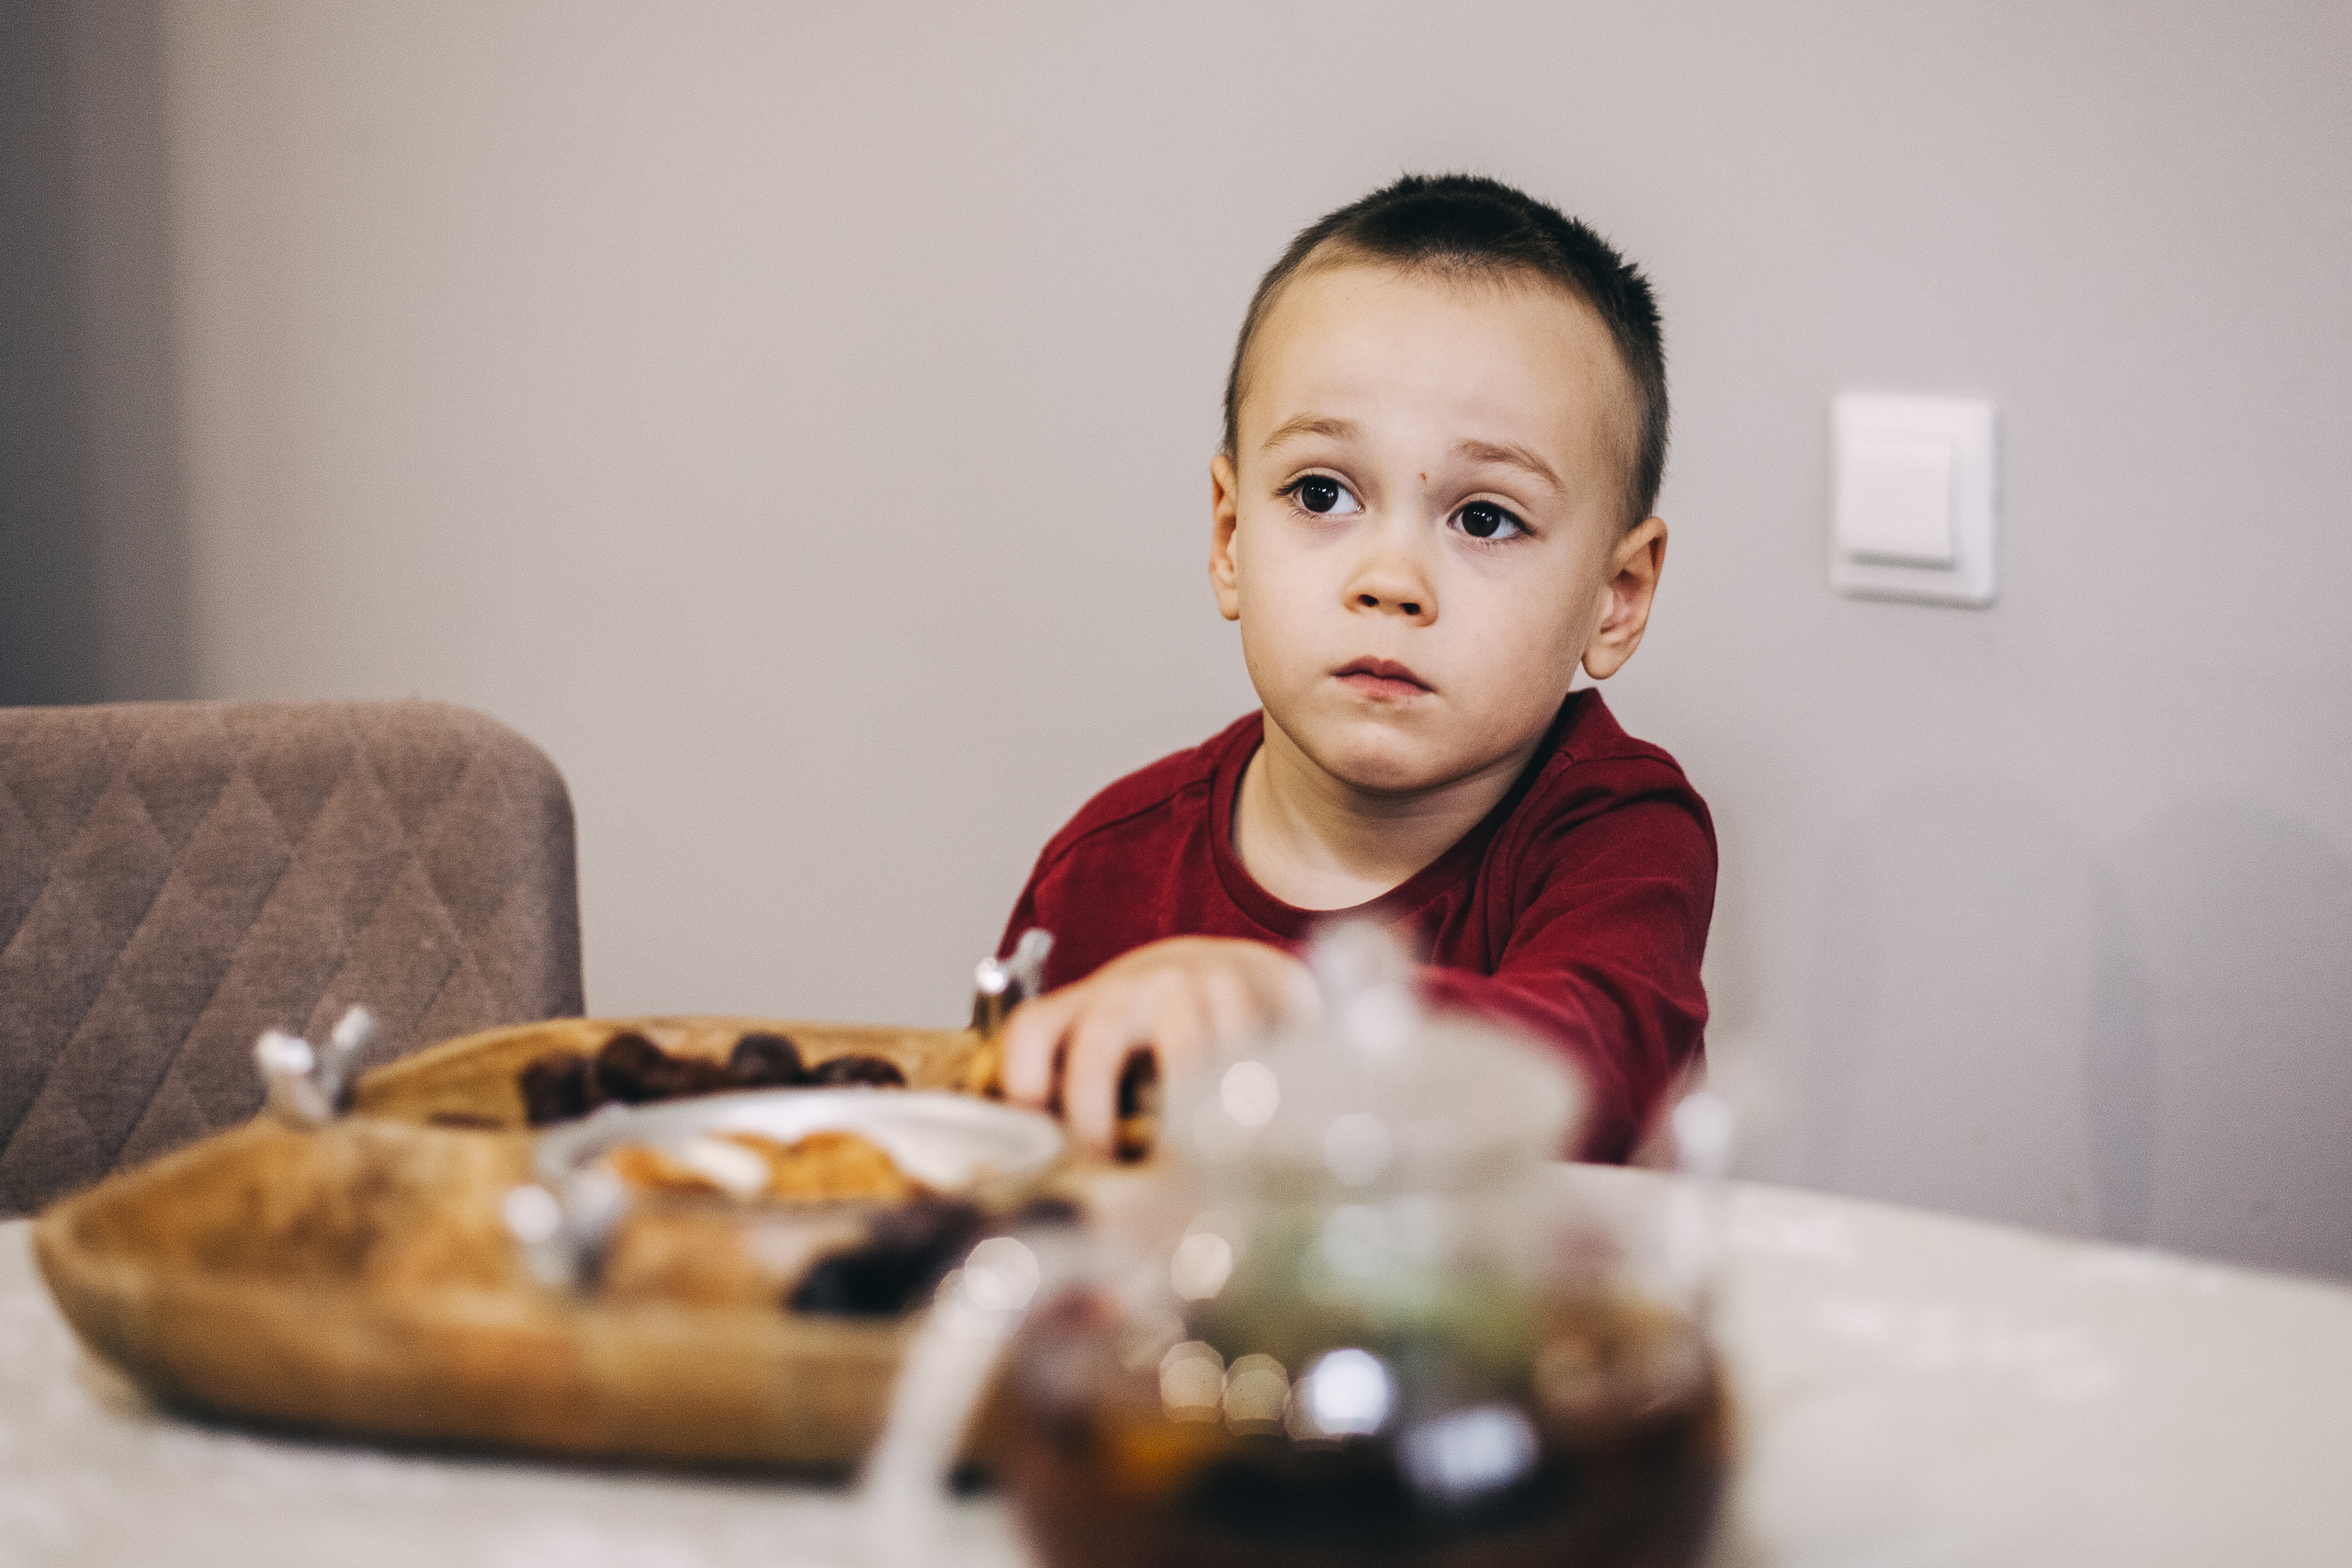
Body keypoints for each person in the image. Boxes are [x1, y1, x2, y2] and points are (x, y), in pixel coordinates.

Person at [995, 174, 1713, 1164]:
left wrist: (1302, 1005)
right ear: (1229, 535)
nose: (1390, 581)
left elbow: (1597, 1071)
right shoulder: (1100, 873)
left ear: (1617, 595)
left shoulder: (1617, 835)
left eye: (1485, 517)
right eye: (1322, 493)